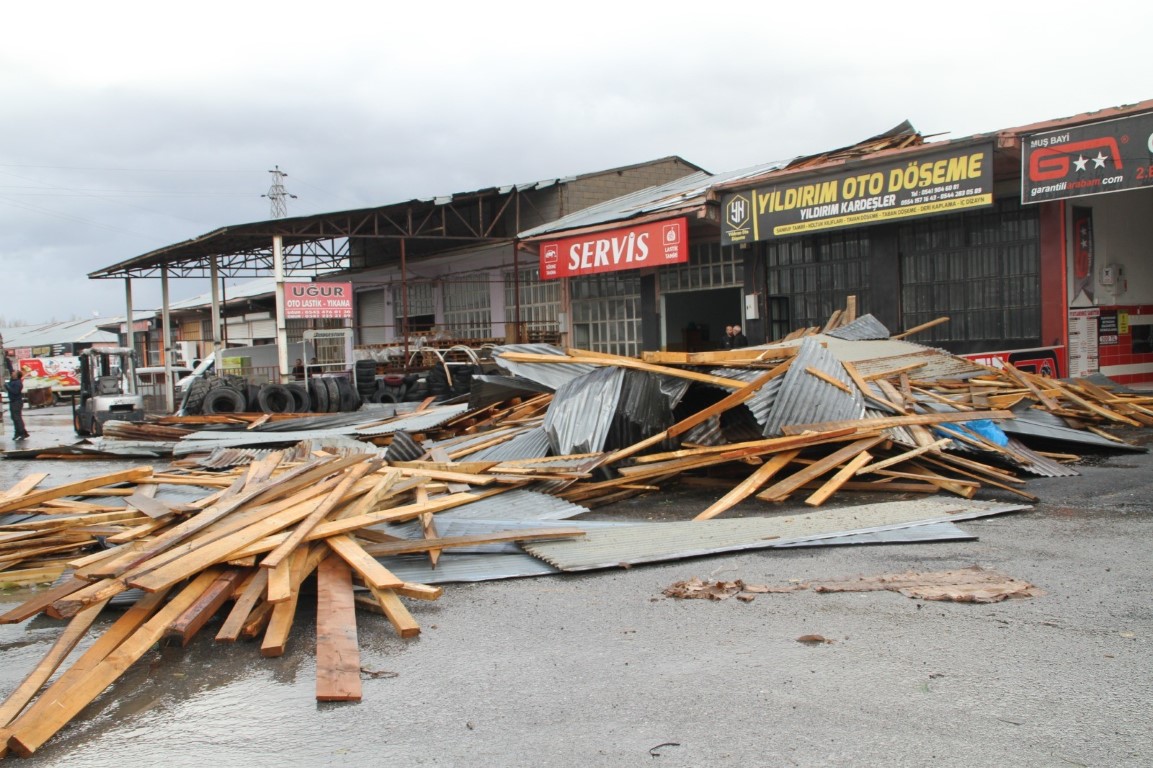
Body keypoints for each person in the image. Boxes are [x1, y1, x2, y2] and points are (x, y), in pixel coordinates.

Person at [6, 370, 29, 441]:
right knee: (14, 418)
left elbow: (15, 392)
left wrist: (7, 386)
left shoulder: (18, 382)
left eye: (14, 372)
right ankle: (19, 433)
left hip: (16, 402)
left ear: (16, 375)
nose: (12, 373)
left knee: (17, 418)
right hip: (13, 402)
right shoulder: (13, 381)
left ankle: (22, 433)